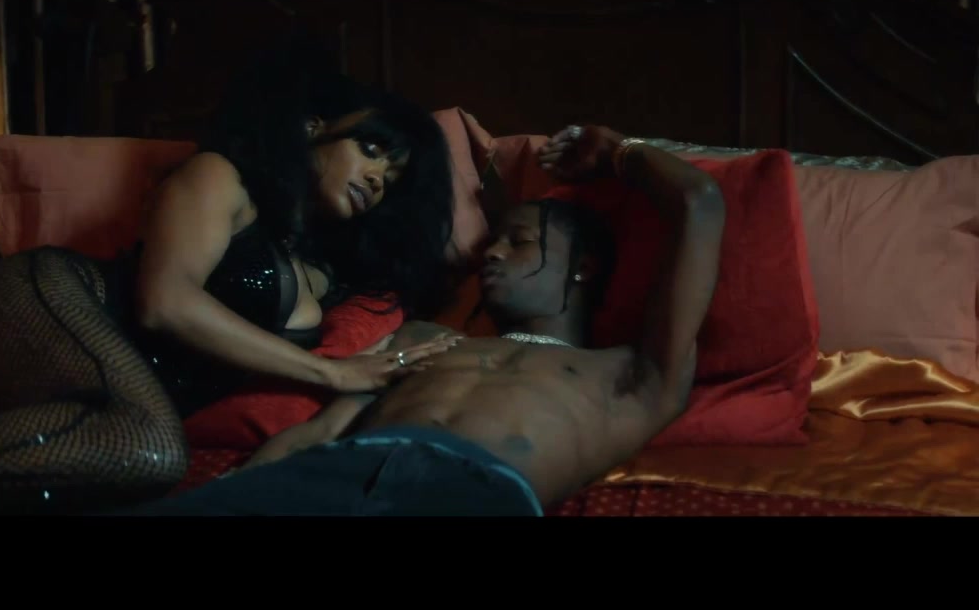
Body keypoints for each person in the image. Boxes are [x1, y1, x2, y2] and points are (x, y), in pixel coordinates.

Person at [0, 31, 462, 516]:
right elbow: (164, 303)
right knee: (147, 451)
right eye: (371, 150)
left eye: (392, 179)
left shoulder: (329, 272)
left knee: (81, 448)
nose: (377, 178)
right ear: (312, 128)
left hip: (90, 397)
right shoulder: (222, 178)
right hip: (45, 305)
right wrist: (328, 373)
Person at [113, 123, 727, 516]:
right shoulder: (424, 339)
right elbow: (320, 432)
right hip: (331, 474)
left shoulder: (632, 374)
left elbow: (700, 205)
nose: (491, 253)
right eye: (492, 240)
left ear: (584, 267)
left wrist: (618, 154)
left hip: (466, 492)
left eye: (517, 241)